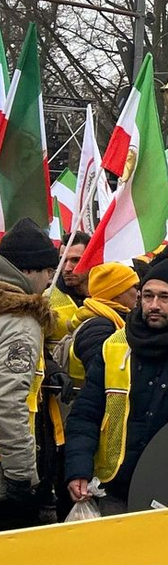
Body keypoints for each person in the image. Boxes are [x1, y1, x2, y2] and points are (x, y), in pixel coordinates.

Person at [64, 258, 168, 514]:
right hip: (117, 489)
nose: (154, 305)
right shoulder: (116, 345)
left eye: (166, 297)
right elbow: (86, 413)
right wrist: (78, 469)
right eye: (148, 296)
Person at [0, 226, 55, 529]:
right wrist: (21, 475)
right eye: (49, 271)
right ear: (30, 270)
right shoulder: (19, 319)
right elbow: (8, 400)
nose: (50, 282)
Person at [62, 262, 141, 388]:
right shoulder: (99, 328)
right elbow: (99, 380)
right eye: (134, 287)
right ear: (117, 292)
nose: (139, 294)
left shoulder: (107, 318)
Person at [48, 232, 92, 342]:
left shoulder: (109, 294)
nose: (67, 268)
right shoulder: (46, 300)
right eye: (63, 260)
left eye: (76, 260)